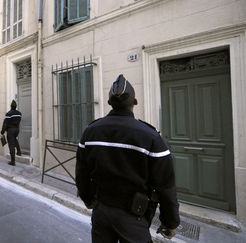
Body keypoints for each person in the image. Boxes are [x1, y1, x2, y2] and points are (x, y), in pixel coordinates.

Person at [76, 74, 180, 242]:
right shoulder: (150, 137)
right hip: (134, 219)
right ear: (134, 103)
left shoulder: (90, 131)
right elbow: (165, 186)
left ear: (110, 103)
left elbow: (82, 173)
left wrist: (88, 200)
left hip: (101, 212)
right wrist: (170, 222)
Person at [0, 100, 22, 166]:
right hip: (17, 129)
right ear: (16, 106)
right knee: (15, 139)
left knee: (11, 145)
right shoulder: (19, 113)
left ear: (11, 106)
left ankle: (13, 161)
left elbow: (5, 124)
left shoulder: (9, 113)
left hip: (10, 131)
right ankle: (19, 152)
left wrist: (2, 131)